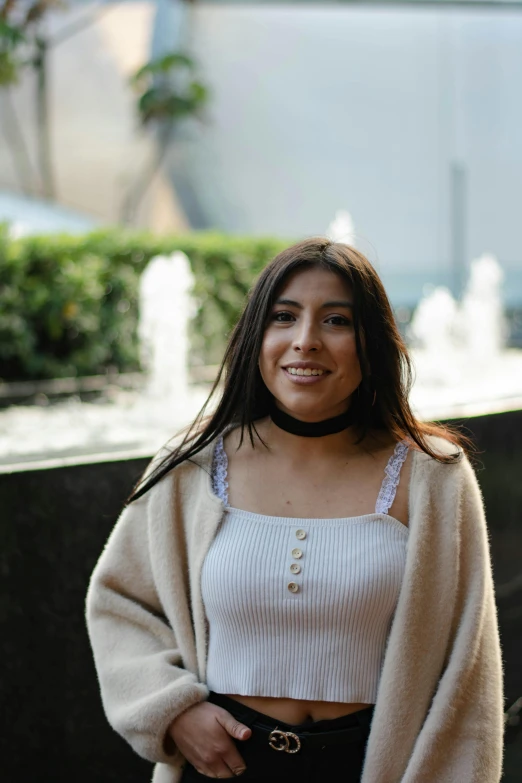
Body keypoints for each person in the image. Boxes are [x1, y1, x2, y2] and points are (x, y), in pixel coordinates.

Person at [86, 238, 504, 783]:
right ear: (257, 336)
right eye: (284, 317)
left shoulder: (434, 477)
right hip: (220, 765)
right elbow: (118, 602)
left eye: (335, 320)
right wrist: (173, 709)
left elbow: (467, 674)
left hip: (377, 767)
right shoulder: (189, 468)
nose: (305, 342)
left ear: (370, 341)